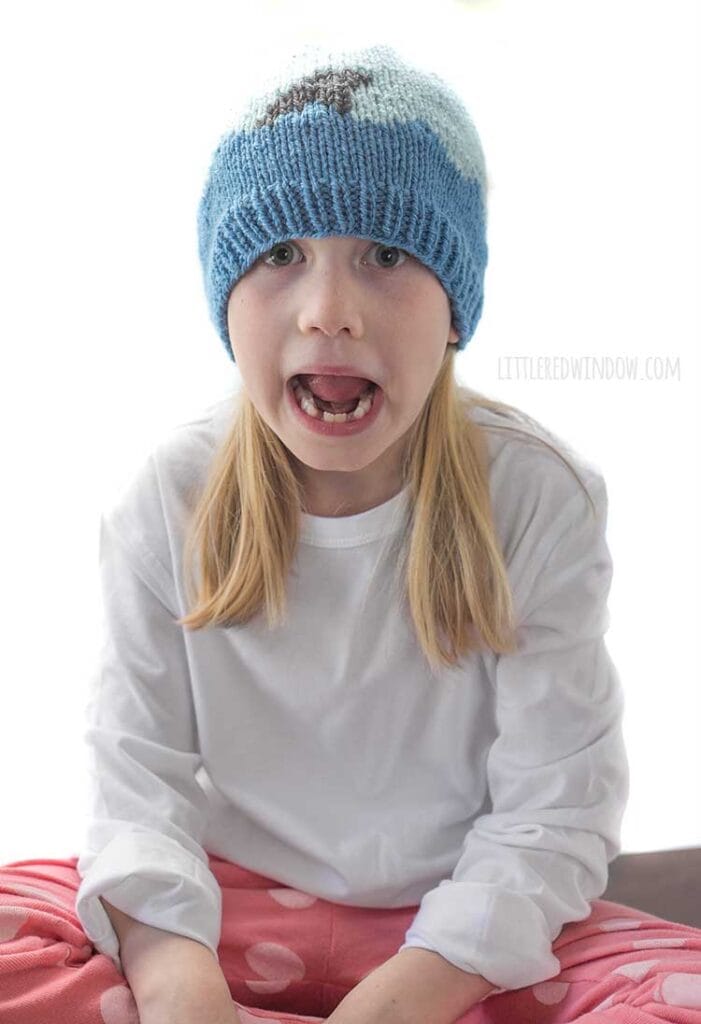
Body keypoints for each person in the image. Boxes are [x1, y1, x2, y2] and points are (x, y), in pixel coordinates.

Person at [2, 41, 701, 1024]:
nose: (328, 313)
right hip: (231, 906)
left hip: (453, 924)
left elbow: (551, 813)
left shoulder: (536, 498)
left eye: (385, 255)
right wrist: (176, 985)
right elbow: (137, 787)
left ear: (453, 307)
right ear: (224, 300)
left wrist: (408, 996)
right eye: (280, 256)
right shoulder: (173, 493)